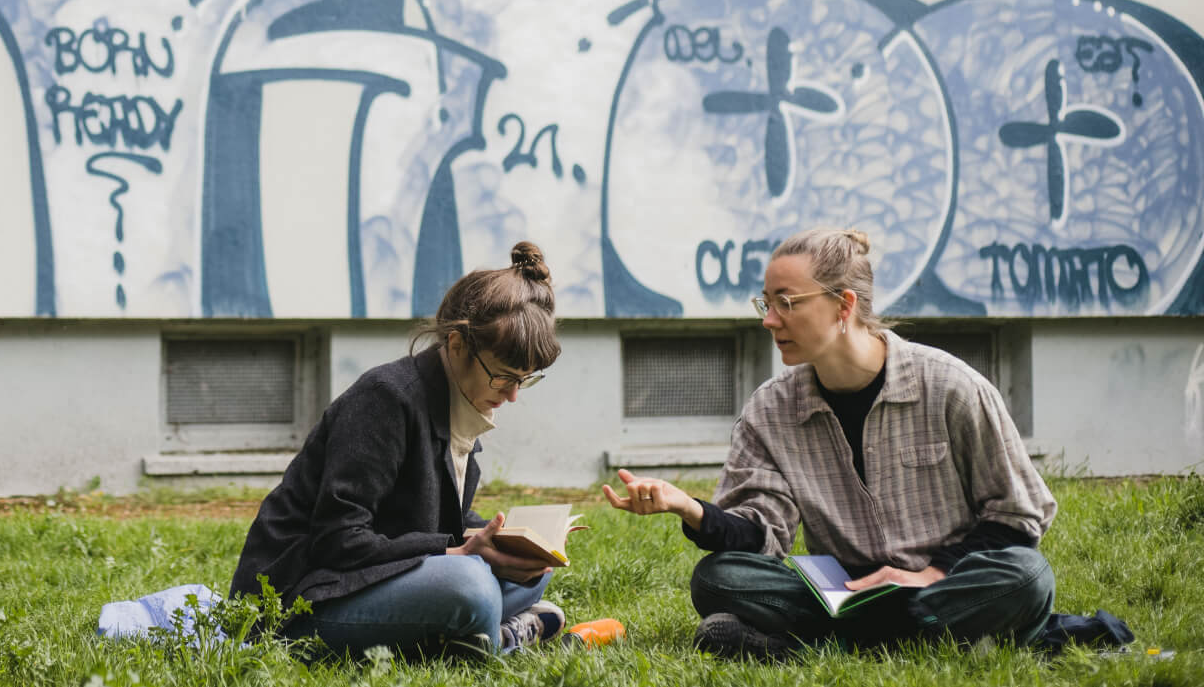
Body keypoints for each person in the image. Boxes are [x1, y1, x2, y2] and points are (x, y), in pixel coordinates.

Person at [602, 226, 1056, 661]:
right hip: (843, 592)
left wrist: (931, 572)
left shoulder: (951, 387)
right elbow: (763, 536)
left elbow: (1018, 515)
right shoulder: (770, 410)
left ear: (844, 306)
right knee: (717, 579)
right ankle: (930, 634)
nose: (768, 319)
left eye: (787, 303)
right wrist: (691, 509)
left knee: (1027, 576)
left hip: (944, 580)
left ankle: (818, 642)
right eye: (767, 302)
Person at [229, 241, 567, 658]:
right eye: (503, 377)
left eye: (524, 380)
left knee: (530, 574)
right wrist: (455, 550)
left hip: (374, 578)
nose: (513, 396)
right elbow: (337, 540)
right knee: (471, 587)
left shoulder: (460, 397)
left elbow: (430, 521)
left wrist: (500, 539)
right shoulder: (386, 398)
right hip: (301, 604)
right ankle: (498, 637)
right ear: (458, 344)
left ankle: (475, 631)